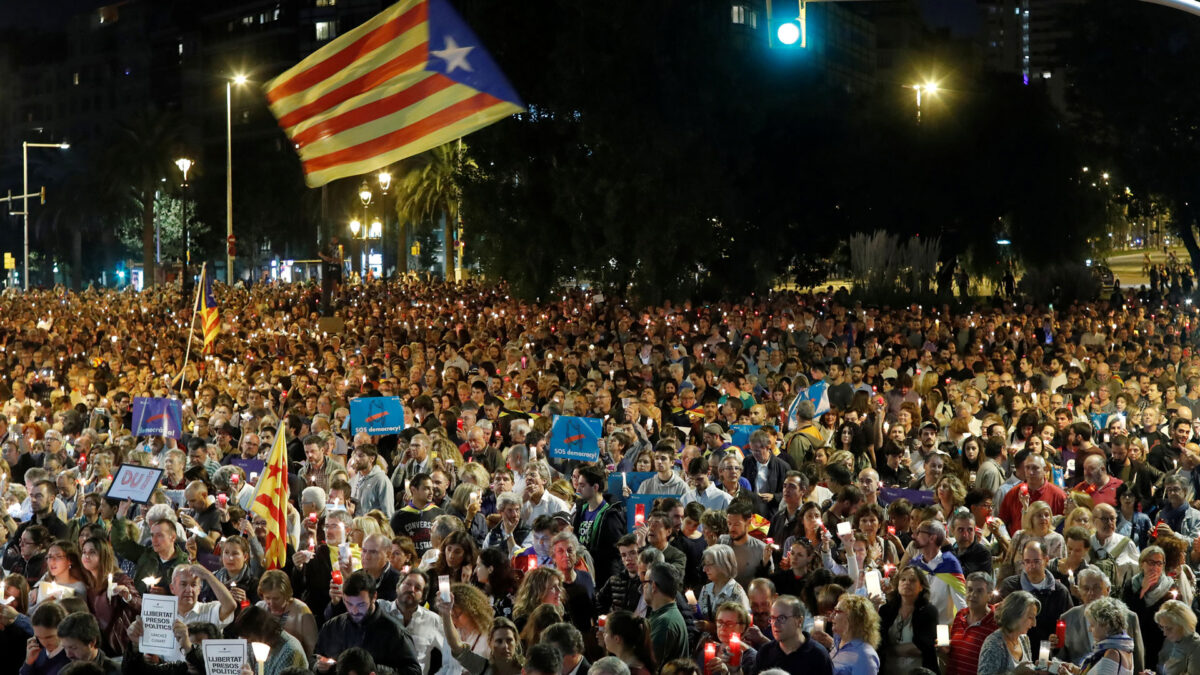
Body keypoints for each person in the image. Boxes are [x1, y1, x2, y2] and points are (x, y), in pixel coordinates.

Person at [312, 571, 421, 675]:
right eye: (349, 604)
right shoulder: (332, 627)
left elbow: (414, 671)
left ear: (374, 597)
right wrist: (319, 667)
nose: (354, 611)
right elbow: (314, 659)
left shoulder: (395, 632)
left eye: (360, 605)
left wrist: (372, 669)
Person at [1053, 567, 1144, 671]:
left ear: (1108, 589)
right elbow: (1060, 657)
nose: (1091, 593)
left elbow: (1138, 660)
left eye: (1096, 588)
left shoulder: (1129, 617)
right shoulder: (1067, 617)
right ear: (1078, 591)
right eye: (1086, 588)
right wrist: (1054, 648)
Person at [997, 540, 1072, 656]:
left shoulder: (1060, 592)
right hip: (1014, 652)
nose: (1031, 566)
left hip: (1046, 654)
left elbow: (1068, 625)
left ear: (1046, 560)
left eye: (1036, 561)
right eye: (1027, 562)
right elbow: (999, 620)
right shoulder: (1010, 587)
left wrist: (1058, 638)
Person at [78, 536, 140, 656]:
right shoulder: (87, 583)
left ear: (103, 555)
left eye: (92, 552)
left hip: (118, 644)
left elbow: (141, 605)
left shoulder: (120, 579)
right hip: (97, 644)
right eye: (84, 552)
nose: (86, 556)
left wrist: (127, 596)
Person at [1121, 546, 1178, 672]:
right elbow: (1128, 614)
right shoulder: (1132, 584)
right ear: (1142, 564)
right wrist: (1142, 592)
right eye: (1151, 562)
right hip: (1137, 636)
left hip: (1160, 640)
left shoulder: (1169, 586)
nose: (1155, 567)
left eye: (1159, 563)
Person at [876, 565, 938, 674]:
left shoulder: (928, 611)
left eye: (912, 580)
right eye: (903, 579)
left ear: (921, 586)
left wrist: (888, 650)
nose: (907, 583)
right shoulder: (886, 610)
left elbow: (922, 648)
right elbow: (878, 642)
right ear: (897, 584)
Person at [752, 594, 833, 674]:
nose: (775, 624)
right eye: (772, 618)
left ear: (799, 621)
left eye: (781, 618)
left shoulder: (818, 655)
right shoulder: (765, 653)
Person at [905, 520, 965, 624]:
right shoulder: (915, 566)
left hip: (942, 632)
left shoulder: (949, 565)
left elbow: (961, 604)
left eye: (918, 532)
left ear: (932, 538)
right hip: (916, 629)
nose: (913, 536)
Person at [943, 571, 999, 675]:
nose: (973, 594)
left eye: (979, 591)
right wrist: (946, 648)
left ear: (990, 595)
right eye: (969, 590)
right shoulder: (959, 616)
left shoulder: (996, 624)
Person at [256, 570, 319, 661]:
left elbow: (313, 650)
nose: (271, 603)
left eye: (276, 598)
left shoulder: (301, 610)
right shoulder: (260, 608)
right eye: (267, 598)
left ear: (286, 594)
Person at [229, 606, 308, 675]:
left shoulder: (290, 651)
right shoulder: (248, 641)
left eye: (248, 638)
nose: (245, 642)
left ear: (261, 631)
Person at [975, 591, 1040, 675]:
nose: (1034, 624)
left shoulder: (1023, 639)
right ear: (1014, 616)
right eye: (1030, 617)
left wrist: (1039, 669)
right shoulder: (994, 644)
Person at [1068, 596, 1136, 675]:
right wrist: (1075, 670)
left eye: (1092, 625)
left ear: (1105, 625)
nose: (1089, 629)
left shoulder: (1112, 653)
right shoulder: (1124, 648)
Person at [643, 562, 689, 664]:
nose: (643, 587)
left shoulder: (665, 622)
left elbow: (646, 666)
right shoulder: (662, 614)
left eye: (645, 582)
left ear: (653, 586)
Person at [698, 544, 751, 628]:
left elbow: (743, 627)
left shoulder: (737, 594)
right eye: (704, 565)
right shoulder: (706, 589)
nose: (704, 569)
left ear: (723, 565)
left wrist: (710, 627)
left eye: (709, 564)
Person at [19, 600, 68, 675]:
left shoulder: (70, 655)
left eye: (49, 637)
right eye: (38, 637)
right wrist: (28, 663)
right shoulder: (36, 649)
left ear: (63, 629)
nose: (44, 643)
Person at [1153, 599, 1200, 675]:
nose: (1164, 633)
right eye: (1162, 627)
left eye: (1169, 628)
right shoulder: (1170, 640)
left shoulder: (1196, 646)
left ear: (1183, 625)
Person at [600, 611, 655, 675]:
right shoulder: (623, 666)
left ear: (617, 639)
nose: (603, 634)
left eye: (606, 631)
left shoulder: (634, 672)